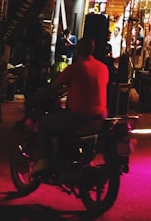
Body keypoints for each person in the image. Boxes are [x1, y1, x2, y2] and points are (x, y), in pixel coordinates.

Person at [31, 37, 110, 175]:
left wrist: (38, 96)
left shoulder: (75, 68)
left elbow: (53, 87)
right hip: (100, 117)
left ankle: (44, 160)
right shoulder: (103, 68)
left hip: (79, 117)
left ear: (77, 50)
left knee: (44, 124)